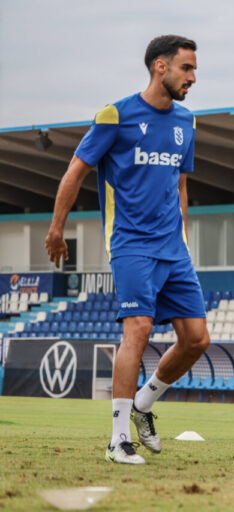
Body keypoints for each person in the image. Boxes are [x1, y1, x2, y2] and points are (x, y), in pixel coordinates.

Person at [45, 35, 209, 465]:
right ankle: (118, 440)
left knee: (196, 340)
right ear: (160, 67)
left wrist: (184, 239)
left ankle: (142, 405)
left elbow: (180, 184)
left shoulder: (187, 121)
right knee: (137, 329)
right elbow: (75, 172)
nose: (193, 77)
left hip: (174, 248)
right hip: (131, 243)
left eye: (194, 69)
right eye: (186, 69)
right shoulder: (114, 115)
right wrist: (56, 229)